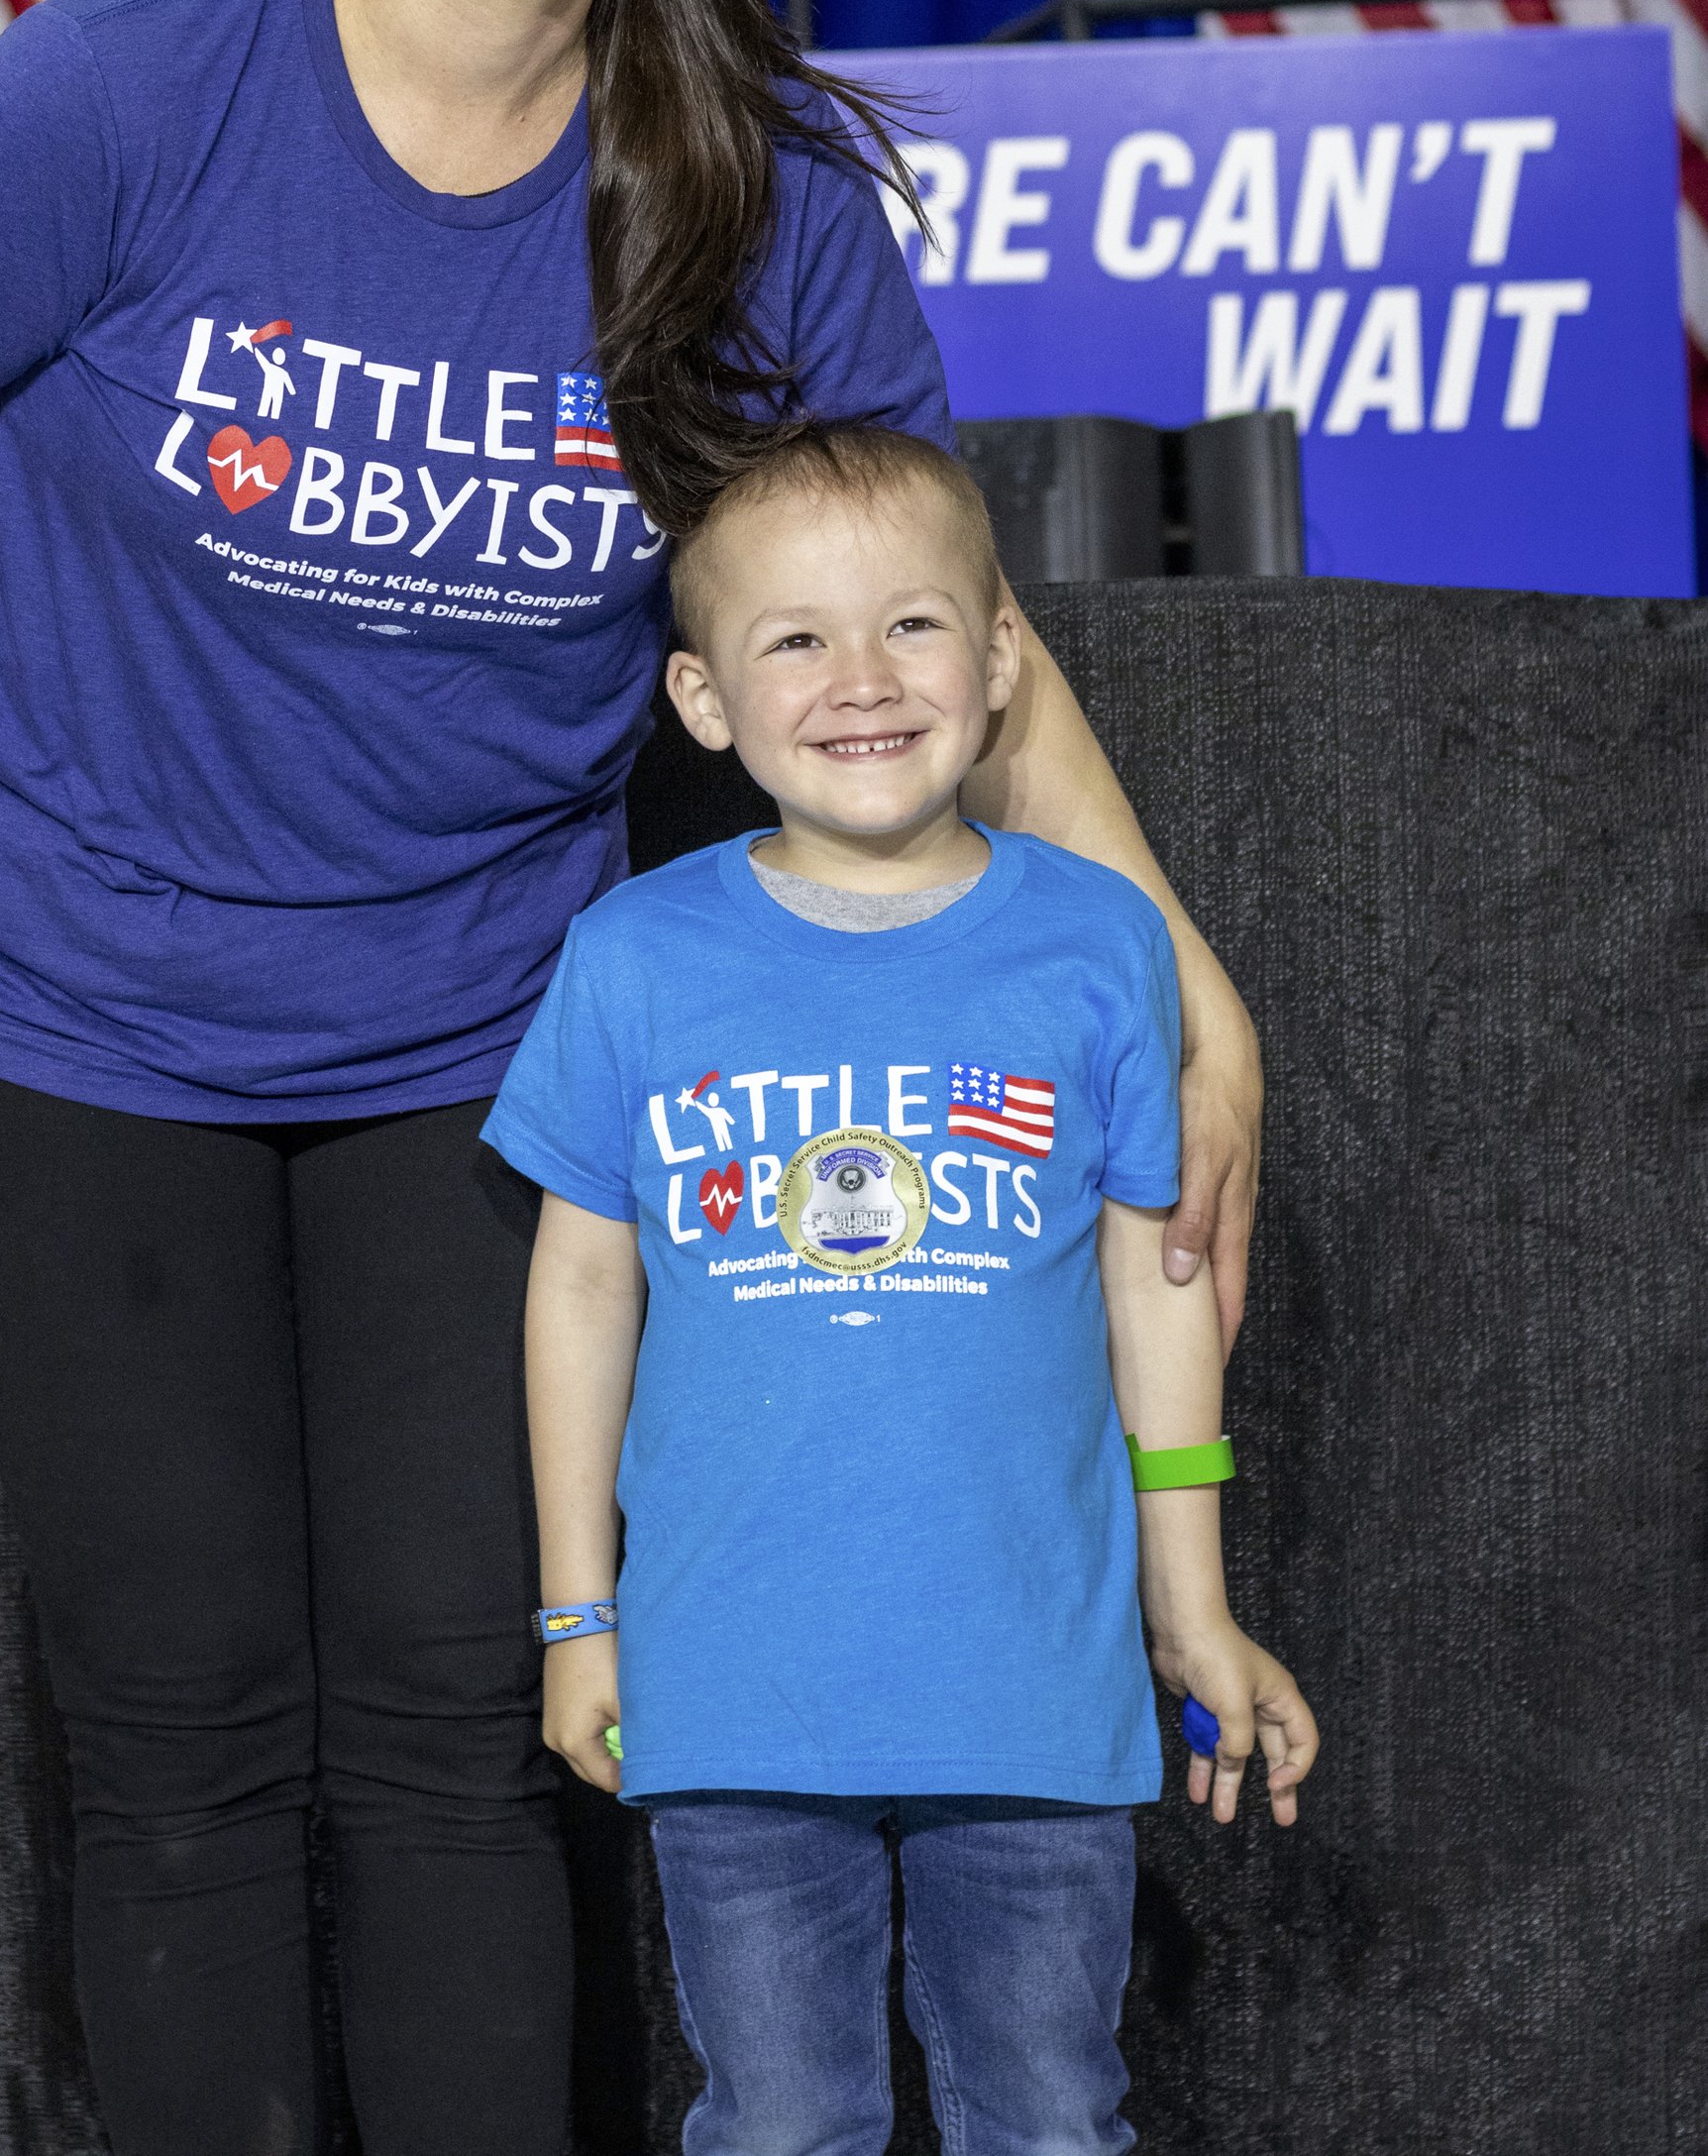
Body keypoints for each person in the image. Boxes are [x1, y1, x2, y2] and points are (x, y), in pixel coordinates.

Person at [0, 0, 1263, 2156]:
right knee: (188, 1717)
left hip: (472, 1020)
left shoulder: (756, 202)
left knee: (460, 1712)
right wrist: (130, 585)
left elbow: (919, 633)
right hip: (56, 1008)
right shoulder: (122, 91)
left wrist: (1182, 976)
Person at [489, 421, 1316, 2156]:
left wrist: (1193, 1601)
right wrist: (579, 1615)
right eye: (796, 638)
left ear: (1005, 659)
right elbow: (578, 1292)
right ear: (705, 699)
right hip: (733, 1701)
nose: (860, 678)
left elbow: (1158, 1285)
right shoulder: (634, 956)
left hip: (1033, 1694)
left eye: (914, 625)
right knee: (778, 2127)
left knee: (1049, 2120)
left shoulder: (1100, 943)